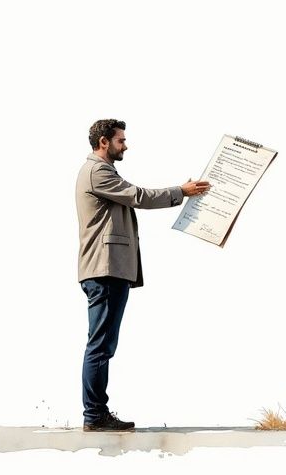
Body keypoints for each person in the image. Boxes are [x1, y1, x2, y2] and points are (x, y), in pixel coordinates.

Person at [75, 119, 210, 432]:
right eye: (121, 140)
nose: (126, 144)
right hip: (105, 268)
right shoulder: (98, 171)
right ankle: (94, 415)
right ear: (104, 142)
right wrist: (181, 191)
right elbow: (140, 196)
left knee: (102, 344)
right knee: (100, 346)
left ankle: (96, 413)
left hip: (107, 269)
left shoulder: (100, 171)